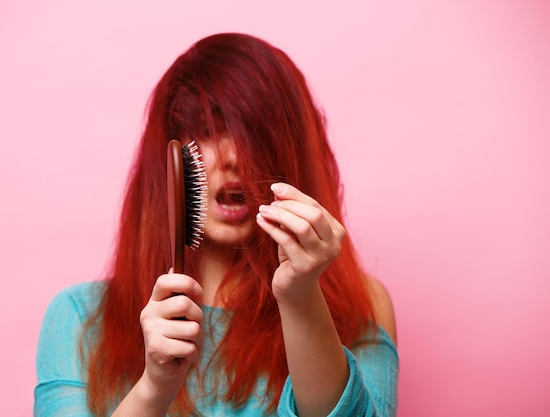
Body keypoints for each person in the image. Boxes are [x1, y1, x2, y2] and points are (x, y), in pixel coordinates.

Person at [34, 32, 399, 417]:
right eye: (206, 132)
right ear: (172, 160)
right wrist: (154, 388)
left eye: (255, 134)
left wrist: (302, 297)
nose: (233, 157)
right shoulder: (79, 318)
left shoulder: (360, 307)